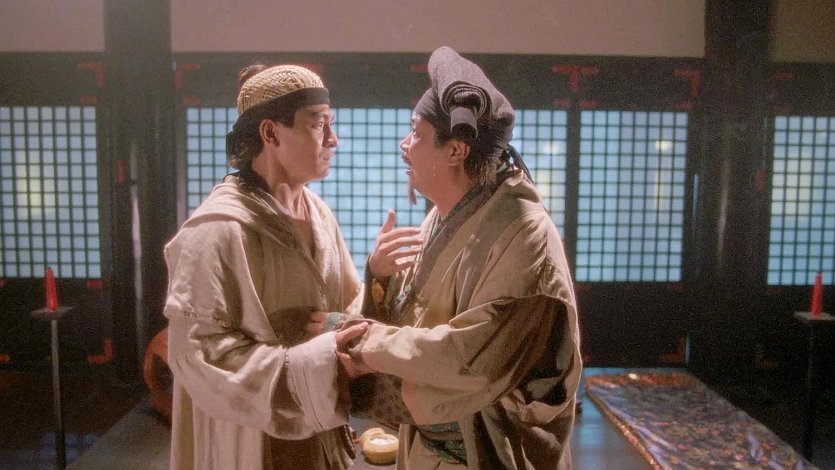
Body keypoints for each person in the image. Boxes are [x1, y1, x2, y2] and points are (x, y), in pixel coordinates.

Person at [345, 46, 583, 469]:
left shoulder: (525, 234)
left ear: (456, 151)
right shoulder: (444, 213)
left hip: (482, 452)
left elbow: (469, 361)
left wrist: (364, 342)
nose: (404, 144)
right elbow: (414, 319)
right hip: (429, 447)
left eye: (416, 133)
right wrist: (378, 278)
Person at [163, 63, 371, 470]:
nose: (334, 139)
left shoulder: (319, 213)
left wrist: (375, 281)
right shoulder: (216, 230)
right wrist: (316, 364)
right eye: (318, 124)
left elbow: (346, 302)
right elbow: (201, 357)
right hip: (251, 437)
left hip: (320, 430)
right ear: (271, 133)